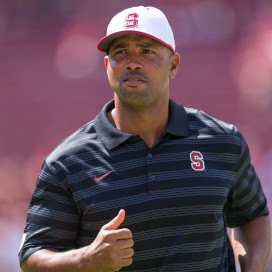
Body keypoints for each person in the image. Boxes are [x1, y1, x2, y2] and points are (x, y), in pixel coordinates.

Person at [19, 6, 271, 272]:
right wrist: (87, 260)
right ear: (108, 66)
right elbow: (32, 258)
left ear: (173, 64)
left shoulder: (222, 142)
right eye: (120, 52)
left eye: (147, 51)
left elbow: (252, 216)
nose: (133, 61)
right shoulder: (66, 162)